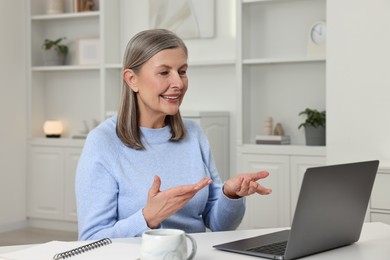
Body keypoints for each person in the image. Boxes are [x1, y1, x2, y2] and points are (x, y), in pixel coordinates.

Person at [75, 29, 272, 240]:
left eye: (182, 71)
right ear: (132, 79)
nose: (178, 83)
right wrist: (148, 217)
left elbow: (218, 224)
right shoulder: (103, 142)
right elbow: (92, 240)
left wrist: (230, 195)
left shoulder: (193, 134)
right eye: (164, 72)